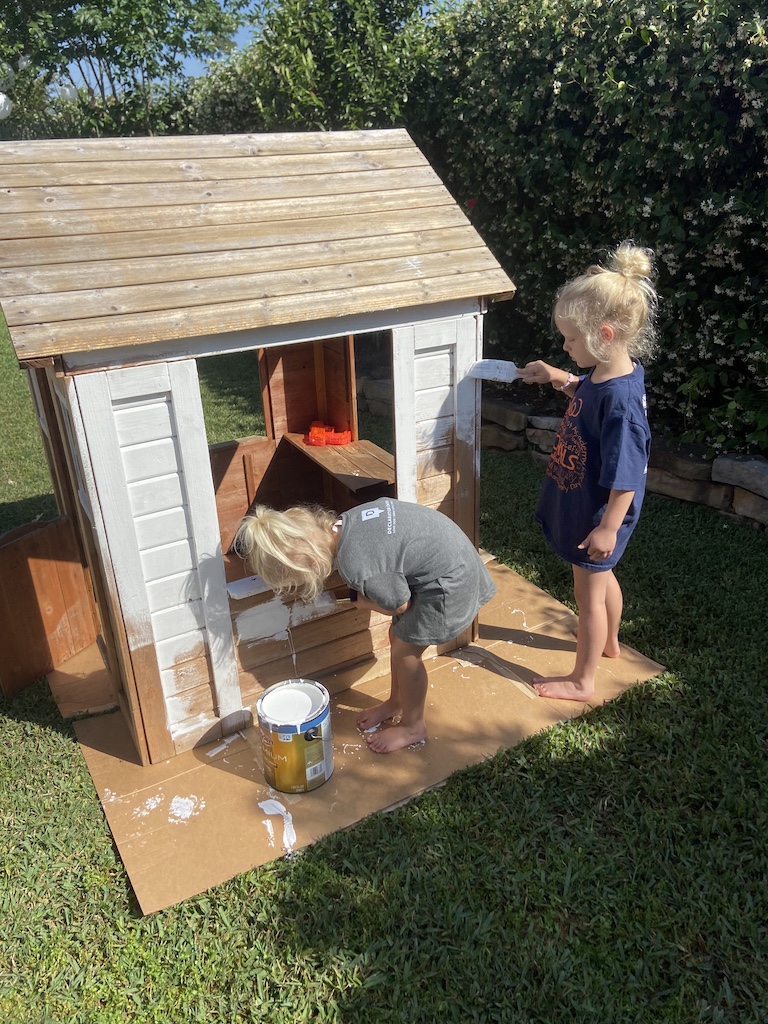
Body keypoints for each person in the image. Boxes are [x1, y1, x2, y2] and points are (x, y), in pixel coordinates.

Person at [233, 496, 497, 753]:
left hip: (451, 585)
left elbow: (399, 605)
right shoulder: (348, 520)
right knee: (398, 636)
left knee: (407, 654)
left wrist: (365, 603)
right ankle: (396, 703)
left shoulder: (356, 565)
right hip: (455, 561)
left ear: (311, 564)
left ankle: (413, 726)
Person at [517, 241, 658, 701]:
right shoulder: (607, 374)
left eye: (571, 340)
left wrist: (608, 529)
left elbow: (628, 476)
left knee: (588, 596)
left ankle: (582, 680)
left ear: (605, 335)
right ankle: (611, 644)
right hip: (587, 505)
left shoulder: (621, 405)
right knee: (603, 580)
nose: (565, 345)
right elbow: (587, 394)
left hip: (599, 516)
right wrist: (559, 375)